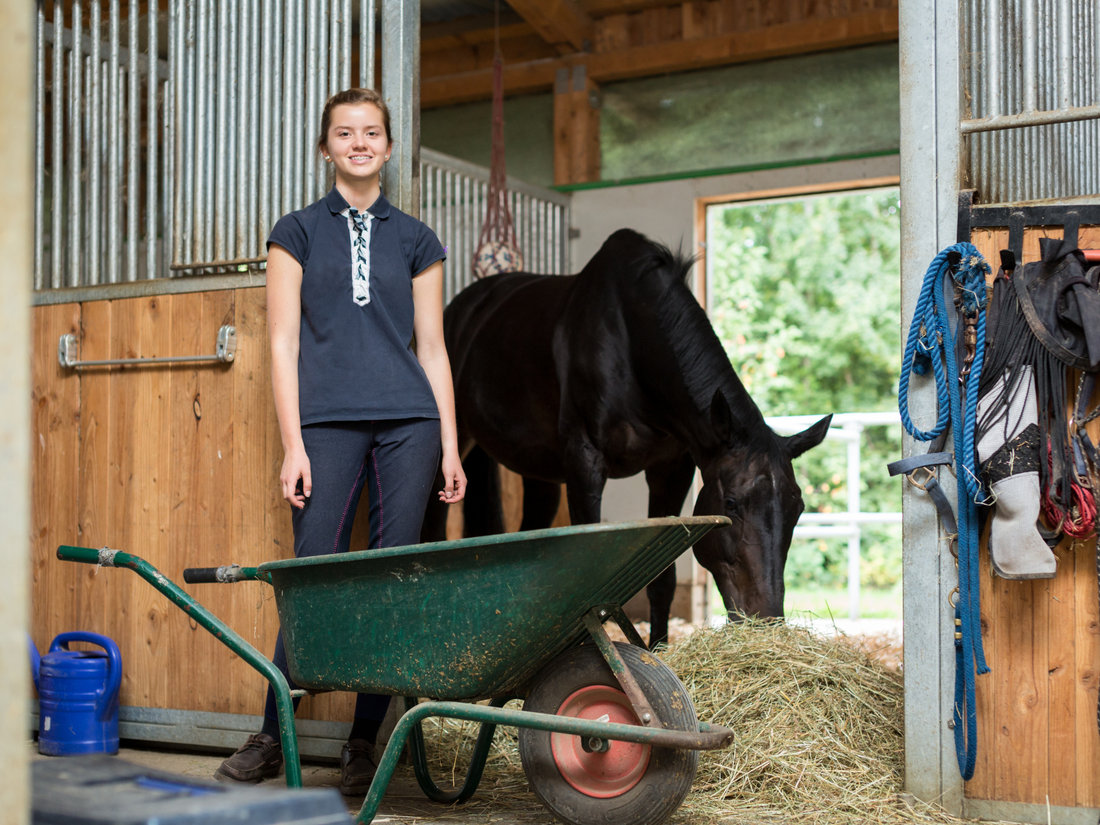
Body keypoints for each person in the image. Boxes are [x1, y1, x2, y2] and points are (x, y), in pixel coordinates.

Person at [214, 87, 467, 794]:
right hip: (324, 423)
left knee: (387, 581)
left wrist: (449, 444)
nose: (359, 143)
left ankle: (362, 742)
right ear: (326, 147)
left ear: (389, 147)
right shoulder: (295, 231)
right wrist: (293, 444)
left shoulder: (418, 239)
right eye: (345, 133)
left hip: (409, 423)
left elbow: (433, 350)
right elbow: (284, 342)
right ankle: (273, 732)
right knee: (313, 576)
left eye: (372, 132)